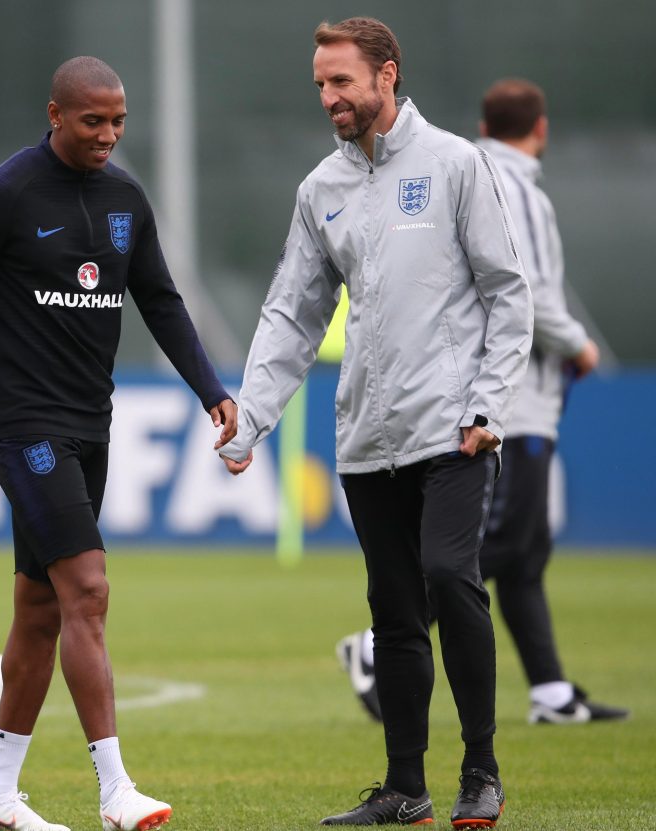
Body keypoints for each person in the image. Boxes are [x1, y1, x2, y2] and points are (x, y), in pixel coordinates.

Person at [0, 56, 237, 831]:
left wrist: (211, 388)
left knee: (40, 607)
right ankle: (116, 790)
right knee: (88, 587)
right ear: (55, 114)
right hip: (20, 424)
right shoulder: (4, 195)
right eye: (93, 121)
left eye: (118, 121)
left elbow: (161, 298)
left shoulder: (124, 199)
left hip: (92, 423)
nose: (109, 135)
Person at [219, 18, 534, 828]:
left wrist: (489, 405)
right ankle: (405, 789)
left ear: (386, 76)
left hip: (457, 429)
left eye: (342, 82)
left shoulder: (456, 164)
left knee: (448, 577)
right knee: (394, 613)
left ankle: (482, 772)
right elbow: (292, 314)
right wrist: (249, 418)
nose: (330, 98)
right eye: (321, 84)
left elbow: (509, 292)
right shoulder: (320, 190)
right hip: (368, 439)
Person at [336, 78, 629, 728]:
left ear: (484, 121)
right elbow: (522, 285)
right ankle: (379, 642)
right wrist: (578, 343)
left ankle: (550, 691)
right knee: (497, 544)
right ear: (542, 128)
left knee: (525, 550)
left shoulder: (456, 167)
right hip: (509, 396)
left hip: (492, 389)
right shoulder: (509, 184)